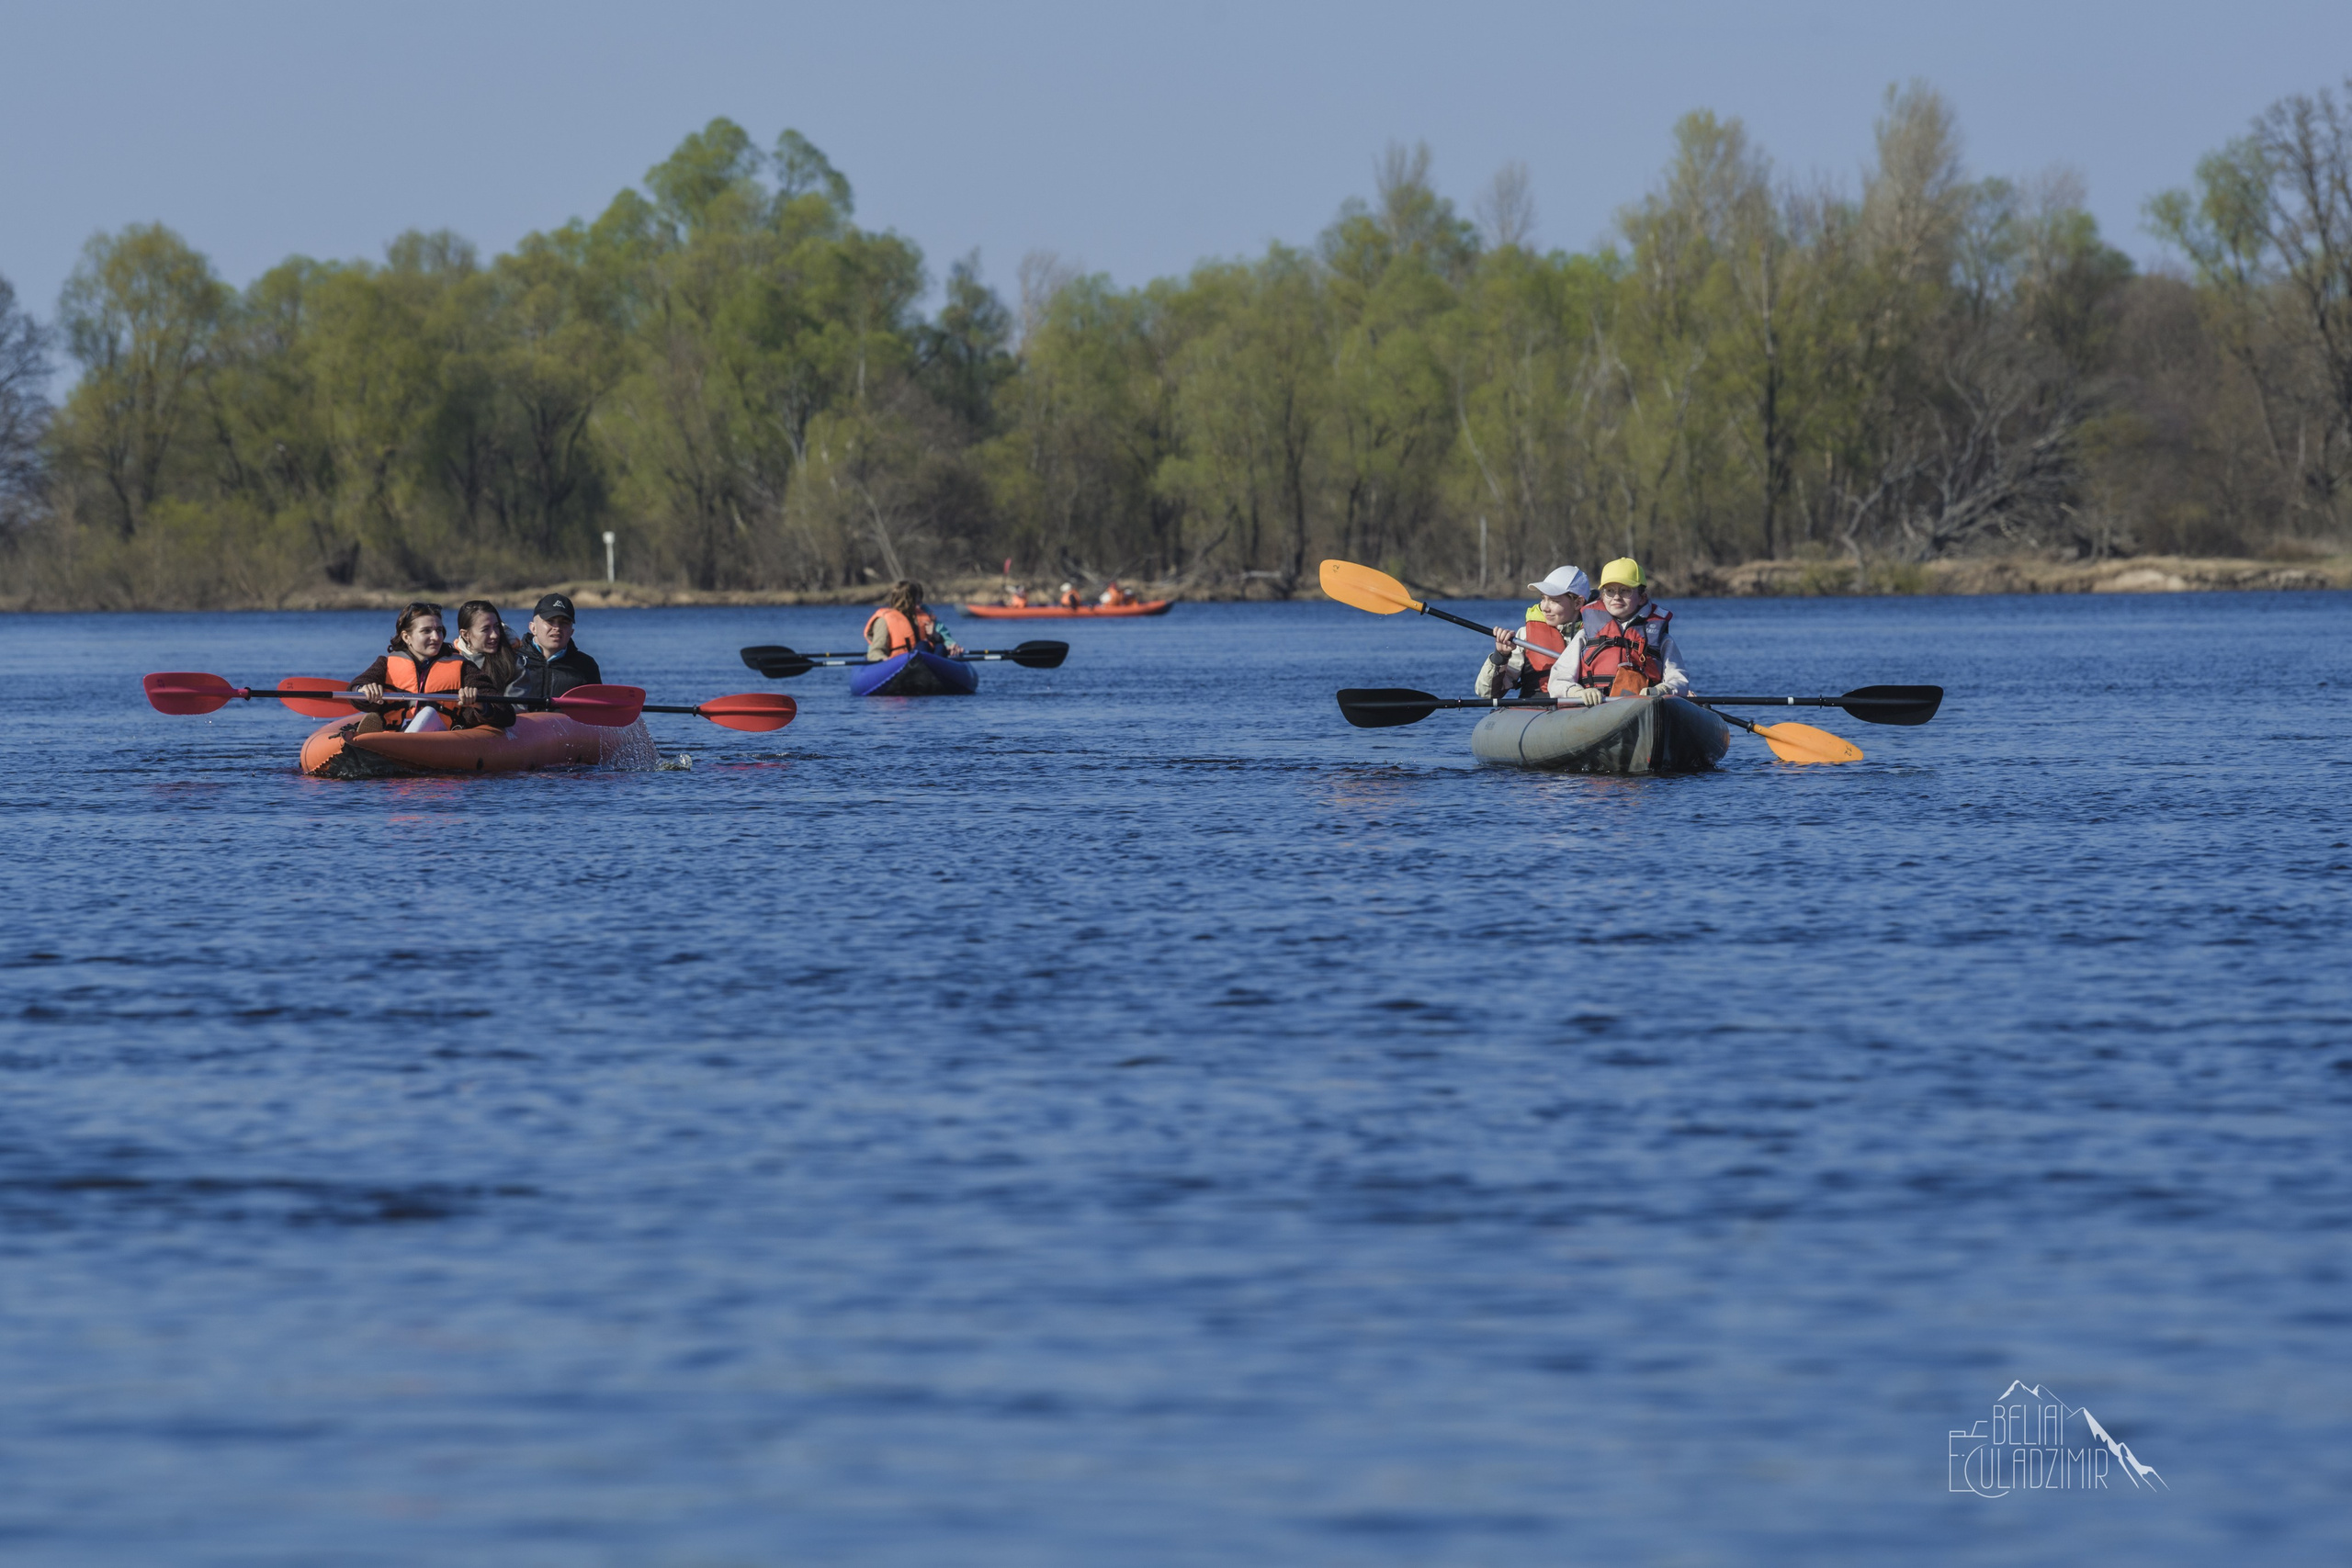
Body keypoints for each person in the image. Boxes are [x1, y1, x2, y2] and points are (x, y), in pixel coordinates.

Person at [1547, 558, 1692, 705]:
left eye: (1625, 591)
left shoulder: (1662, 638)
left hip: (1644, 709)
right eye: (1610, 591)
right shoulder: (1585, 634)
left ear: (1642, 597)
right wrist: (1577, 692)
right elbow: (1558, 680)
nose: (1616, 597)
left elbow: (1679, 680)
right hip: (1595, 710)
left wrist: (1664, 689)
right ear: (1603, 596)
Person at [350, 602, 482, 735]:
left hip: (443, 738)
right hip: (395, 735)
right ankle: (381, 740)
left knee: (428, 712)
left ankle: (383, 746)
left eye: (439, 630)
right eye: (426, 631)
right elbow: (357, 687)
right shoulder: (386, 664)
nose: (436, 637)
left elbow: (494, 701)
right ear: (406, 637)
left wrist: (478, 703)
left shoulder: (463, 667)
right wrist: (363, 690)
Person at [1478, 565, 1590, 699]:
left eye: (1554, 601)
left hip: (1583, 709)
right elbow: (1488, 693)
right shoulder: (1524, 636)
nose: (1544, 607)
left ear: (1578, 603)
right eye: (1543, 598)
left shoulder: (1596, 636)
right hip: (1538, 709)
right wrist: (1501, 656)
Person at [506, 592, 604, 706]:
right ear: (533, 628)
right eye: (550, 621)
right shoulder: (510, 658)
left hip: (565, 724)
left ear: (571, 632)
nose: (557, 628)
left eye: (564, 623)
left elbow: (597, 713)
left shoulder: (587, 665)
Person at [445, 601, 519, 729]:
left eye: (496, 626)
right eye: (486, 629)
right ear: (465, 635)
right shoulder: (449, 662)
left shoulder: (513, 664)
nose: (495, 635)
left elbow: (517, 711)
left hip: (496, 732)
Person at [864, 580, 964, 661]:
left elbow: (944, 641)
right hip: (902, 664)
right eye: (916, 601)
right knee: (922, 645)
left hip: (926, 663)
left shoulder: (924, 617)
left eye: (919, 601)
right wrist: (884, 659)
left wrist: (936, 636)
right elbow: (875, 651)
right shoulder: (884, 620)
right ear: (908, 600)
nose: (919, 605)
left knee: (940, 648)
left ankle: (936, 673)